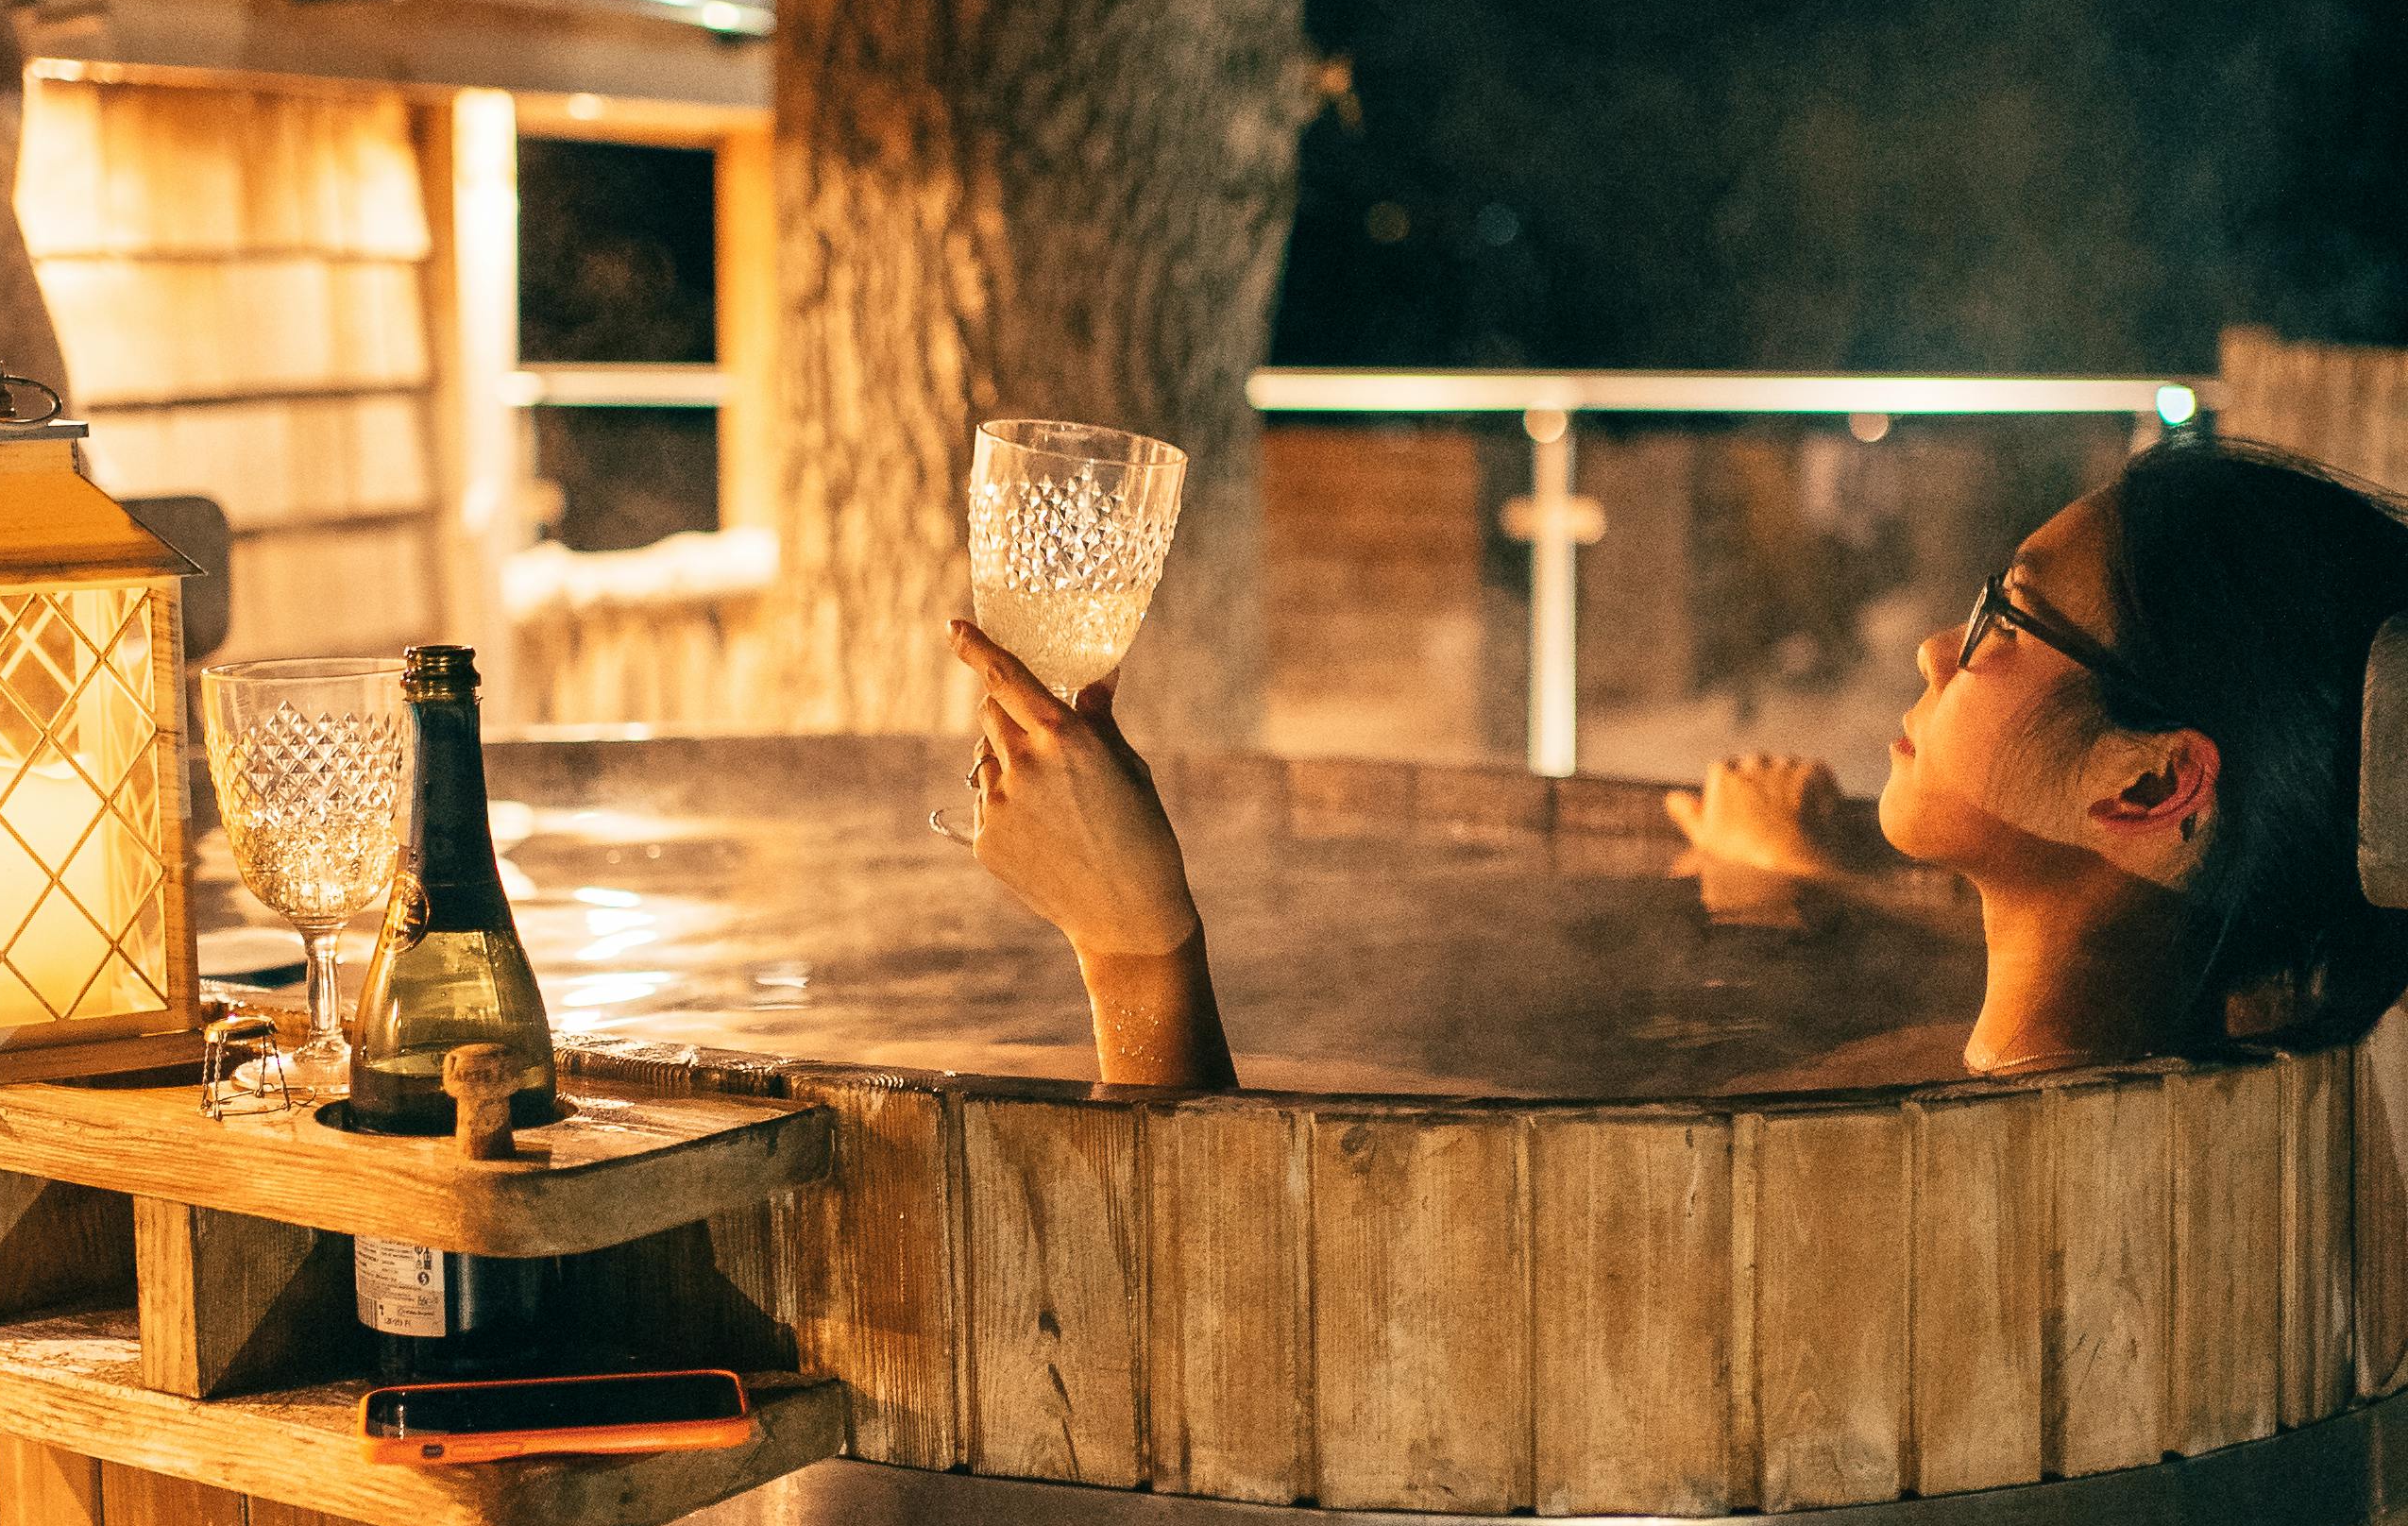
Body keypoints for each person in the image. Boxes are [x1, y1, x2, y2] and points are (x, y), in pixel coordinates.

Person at [948, 438, 2408, 1094]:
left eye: (2001, 623)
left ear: (2148, 789)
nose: (1928, 653)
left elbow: (1240, 1362)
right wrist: (1827, 875)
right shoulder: (2199, 1070)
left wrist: (1136, 948)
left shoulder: (1936, 1185)